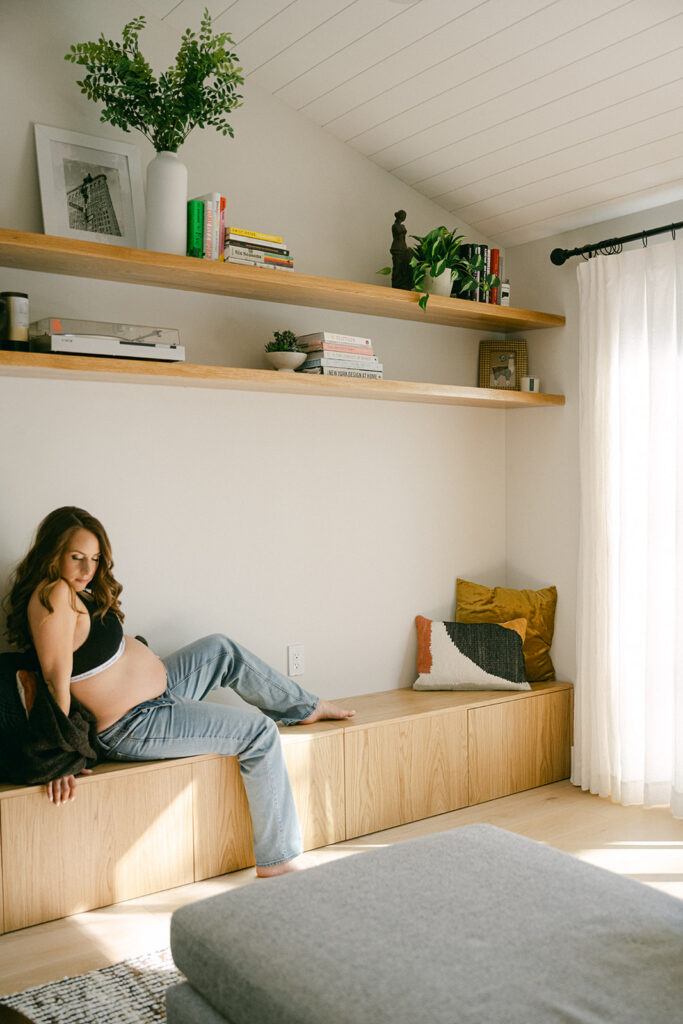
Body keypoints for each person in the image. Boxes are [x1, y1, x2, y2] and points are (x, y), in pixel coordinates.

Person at [5, 507, 355, 877]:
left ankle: (305, 706)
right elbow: (55, 678)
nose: (87, 569)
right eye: (76, 558)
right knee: (259, 732)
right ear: (52, 553)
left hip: (158, 695)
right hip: (133, 723)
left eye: (93, 559)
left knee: (222, 649)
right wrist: (60, 759)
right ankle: (279, 858)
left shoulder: (77, 592)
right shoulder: (54, 593)